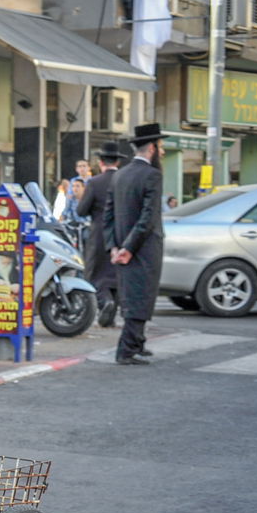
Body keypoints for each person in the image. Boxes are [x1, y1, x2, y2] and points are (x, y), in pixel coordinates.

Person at [105, 123, 166, 365]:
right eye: (160, 147)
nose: (162, 152)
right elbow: (148, 217)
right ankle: (126, 350)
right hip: (142, 248)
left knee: (133, 296)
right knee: (141, 297)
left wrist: (114, 247)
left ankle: (138, 342)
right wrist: (129, 248)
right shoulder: (152, 175)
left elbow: (108, 216)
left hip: (122, 247)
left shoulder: (119, 174)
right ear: (152, 148)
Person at [77, 142, 121, 327]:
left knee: (95, 273)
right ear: (117, 161)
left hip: (99, 235)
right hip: (122, 234)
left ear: (101, 162)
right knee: (116, 275)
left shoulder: (95, 183)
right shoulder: (124, 180)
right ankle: (110, 316)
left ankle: (105, 302)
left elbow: (81, 210)